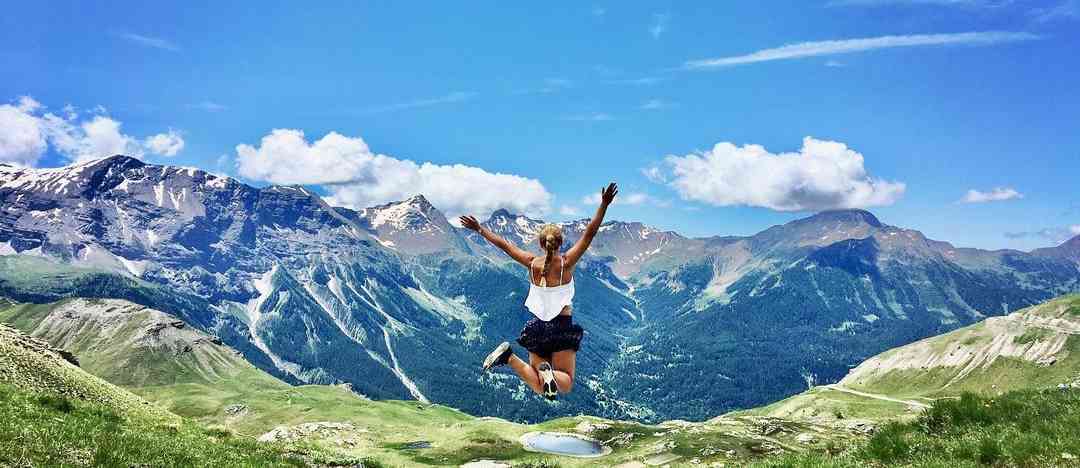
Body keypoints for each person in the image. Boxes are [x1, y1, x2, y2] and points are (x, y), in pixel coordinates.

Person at [459, 182, 618, 399]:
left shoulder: (531, 262)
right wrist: (604, 205)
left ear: (541, 244)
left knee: (540, 386)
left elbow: (505, 246)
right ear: (560, 243)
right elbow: (589, 234)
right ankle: (549, 373)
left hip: (537, 328)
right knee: (566, 381)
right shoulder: (566, 263)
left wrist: (479, 229)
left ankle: (509, 358)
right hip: (561, 326)